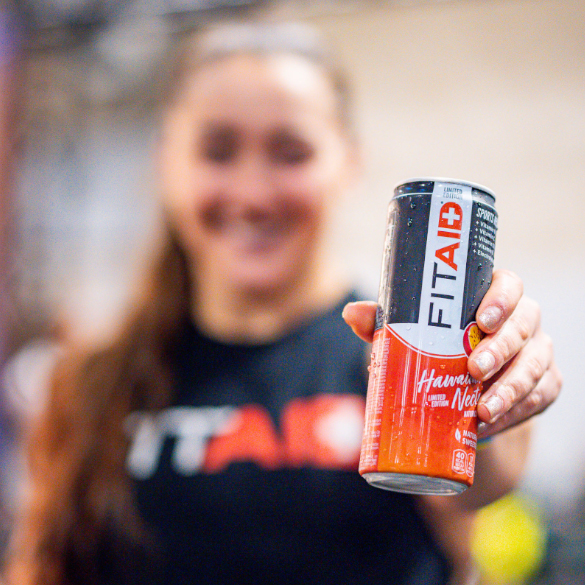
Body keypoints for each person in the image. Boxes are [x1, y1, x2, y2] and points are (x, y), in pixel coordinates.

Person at [4, 21, 561, 585]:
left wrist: (491, 404)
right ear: (165, 162)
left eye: (290, 153)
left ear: (348, 161)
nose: (253, 193)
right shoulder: (90, 383)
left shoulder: (392, 369)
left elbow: (479, 485)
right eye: (217, 152)